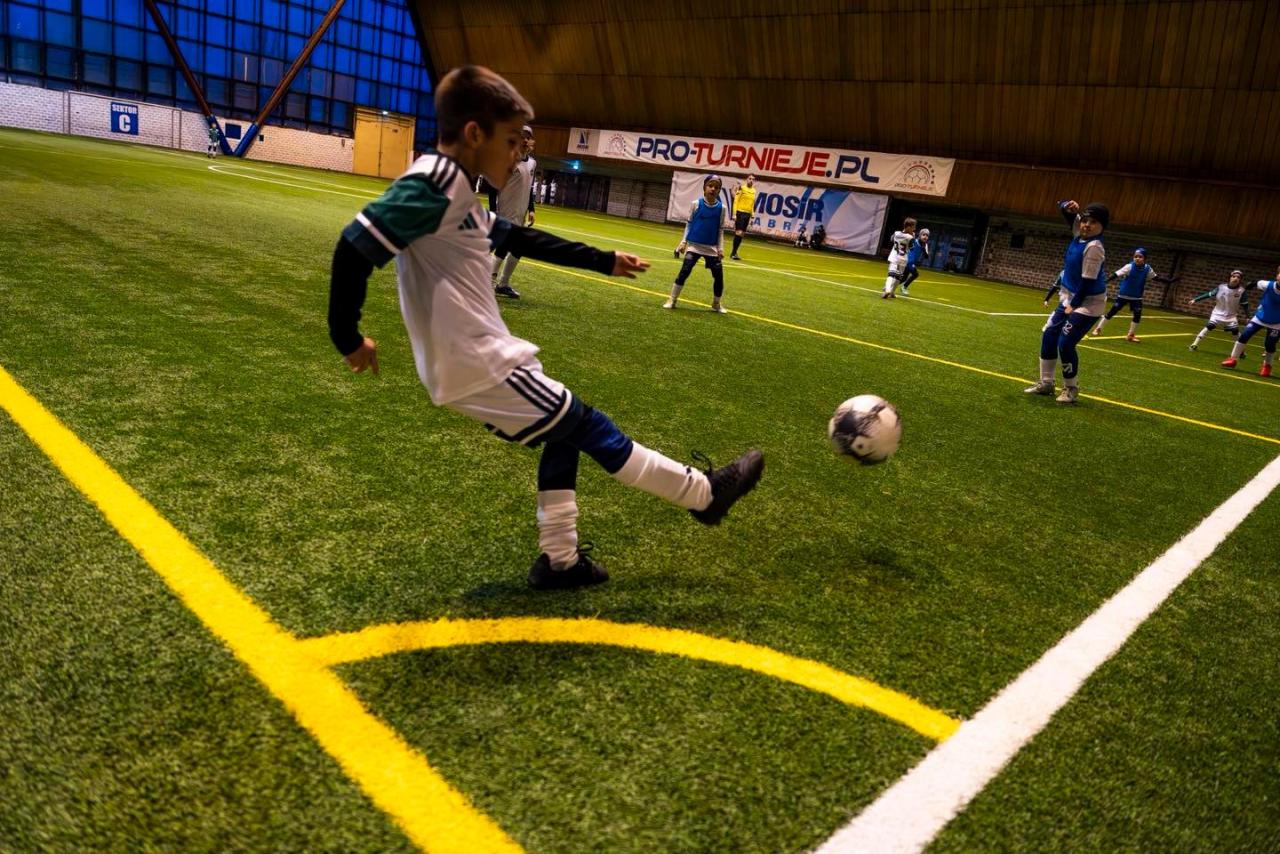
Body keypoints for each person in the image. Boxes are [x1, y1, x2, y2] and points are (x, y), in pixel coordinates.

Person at [326, 65, 764, 590]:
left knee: (566, 432)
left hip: (474, 362)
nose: (518, 154)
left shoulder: (454, 191)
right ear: (474, 134)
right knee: (590, 426)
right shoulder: (434, 184)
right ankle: (703, 494)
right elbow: (354, 245)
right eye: (512, 141)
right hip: (479, 363)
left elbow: (517, 237)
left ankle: (560, 561)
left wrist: (603, 260)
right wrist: (347, 338)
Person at [1024, 200, 1109, 404]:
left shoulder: (1094, 247)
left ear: (1102, 226)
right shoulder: (1079, 235)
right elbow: (1066, 212)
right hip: (1070, 297)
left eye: (1093, 222)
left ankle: (1071, 388)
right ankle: (1046, 383)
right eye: (1085, 220)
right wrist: (1066, 206)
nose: (1087, 225)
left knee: (1066, 342)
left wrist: (1073, 305)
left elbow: (1088, 281)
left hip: (1089, 302)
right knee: (1049, 334)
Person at [485, 124, 537, 298]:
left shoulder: (532, 163)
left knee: (518, 247)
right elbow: (492, 186)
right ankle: (488, 284)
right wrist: (493, 210)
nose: (526, 140)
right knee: (504, 246)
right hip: (506, 210)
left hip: (521, 212)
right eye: (522, 137)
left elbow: (529, 188)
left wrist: (531, 209)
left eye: (528, 137)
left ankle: (503, 284)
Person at [665, 174, 729, 313]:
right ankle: (672, 300)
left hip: (711, 248)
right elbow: (689, 224)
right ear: (704, 187)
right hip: (694, 246)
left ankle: (716, 303)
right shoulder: (696, 204)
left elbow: (720, 230)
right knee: (685, 271)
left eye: (716, 187)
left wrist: (720, 249)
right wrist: (683, 242)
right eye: (710, 186)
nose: (713, 189)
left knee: (718, 277)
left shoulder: (722, 208)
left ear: (719, 190)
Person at [1090, 248, 1177, 341]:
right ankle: (1098, 329)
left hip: (1136, 297)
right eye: (1135, 256)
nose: (1137, 258)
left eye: (1140, 257)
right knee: (1112, 312)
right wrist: (1106, 281)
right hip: (1124, 295)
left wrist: (1169, 281)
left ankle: (1130, 335)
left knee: (1137, 315)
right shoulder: (1129, 267)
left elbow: (1156, 278)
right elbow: (1116, 274)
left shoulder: (1147, 269)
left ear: (1145, 258)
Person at [1221, 266, 1280, 377]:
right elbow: (1255, 283)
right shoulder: (1267, 285)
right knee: (1245, 335)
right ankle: (1232, 359)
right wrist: (1250, 285)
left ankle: (1267, 366)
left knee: (1270, 344)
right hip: (1260, 317)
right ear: (1277, 276)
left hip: (1277, 322)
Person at [1189, 270, 1252, 354]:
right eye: (1233, 276)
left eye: (1238, 277)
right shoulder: (1221, 287)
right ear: (1229, 278)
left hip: (1231, 316)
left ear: (1240, 280)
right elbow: (1209, 294)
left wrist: (1248, 316)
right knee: (1209, 326)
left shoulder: (1242, 291)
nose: (1236, 278)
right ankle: (1194, 344)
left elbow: (1245, 305)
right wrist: (1195, 300)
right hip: (1217, 313)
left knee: (1235, 331)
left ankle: (1241, 351)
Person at [882, 218, 917, 298]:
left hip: (894, 256)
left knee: (891, 274)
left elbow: (891, 239)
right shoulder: (910, 237)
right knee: (898, 276)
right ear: (908, 227)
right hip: (903, 258)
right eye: (913, 227)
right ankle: (892, 292)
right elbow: (912, 248)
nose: (914, 229)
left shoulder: (896, 233)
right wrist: (913, 238)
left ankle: (887, 289)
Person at [729, 174, 757, 260]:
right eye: (750, 178)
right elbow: (736, 201)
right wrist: (734, 214)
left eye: (753, 179)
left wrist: (752, 215)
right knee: (738, 232)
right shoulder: (742, 188)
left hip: (747, 214)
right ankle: (733, 253)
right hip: (740, 213)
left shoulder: (754, 191)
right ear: (746, 179)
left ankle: (735, 252)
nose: (751, 180)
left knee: (742, 234)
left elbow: (752, 204)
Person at [898, 228, 931, 295]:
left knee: (904, 278)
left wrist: (924, 250)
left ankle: (890, 286)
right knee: (915, 274)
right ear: (920, 235)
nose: (925, 237)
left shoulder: (925, 245)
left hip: (911, 263)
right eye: (923, 235)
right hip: (908, 261)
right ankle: (904, 287)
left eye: (927, 235)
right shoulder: (914, 241)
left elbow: (926, 257)